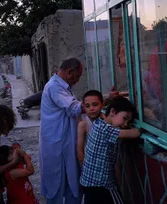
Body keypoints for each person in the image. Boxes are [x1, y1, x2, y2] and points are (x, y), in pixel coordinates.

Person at [39, 57, 118, 204]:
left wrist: (106, 99)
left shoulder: (63, 87)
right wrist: (105, 100)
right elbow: (77, 108)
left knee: (72, 185)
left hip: (65, 143)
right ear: (70, 72)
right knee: (56, 187)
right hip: (56, 145)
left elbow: (83, 107)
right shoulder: (54, 87)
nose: (77, 80)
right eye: (77, 76)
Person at [80, 96, 141, 204]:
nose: (125, 124)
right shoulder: (107, 130)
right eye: (125, 118)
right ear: (112, 111)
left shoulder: (99, 123)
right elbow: (136, 133)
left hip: (88, 182)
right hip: (102, 185)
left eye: (129, 121)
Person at [77, 90, 104, 166]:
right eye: (87, 106)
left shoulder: (107, 121)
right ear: (83, 106)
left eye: (95, 105)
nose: (91, 108)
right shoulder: (83, 125)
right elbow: (80, 150)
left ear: (103, 104)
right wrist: (85, 167)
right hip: (91, 164)